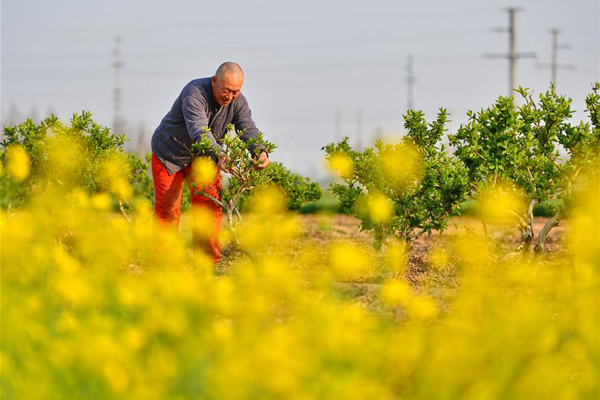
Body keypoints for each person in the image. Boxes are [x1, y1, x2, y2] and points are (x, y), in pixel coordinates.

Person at [151, 62, 269, 263]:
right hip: (169, 154)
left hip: (204, 158)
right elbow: (199, 130)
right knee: (168, 209)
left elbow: (247, 127)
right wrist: (219, 154)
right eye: (227, 90)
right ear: (214, 81)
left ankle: (207, 263)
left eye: (235, 92)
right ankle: (162, 262)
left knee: (210, 207)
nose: (230, 97)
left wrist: (260, 151)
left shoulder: (238, 102)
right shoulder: (194, 92)